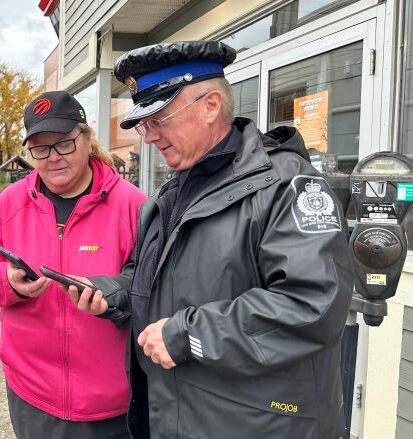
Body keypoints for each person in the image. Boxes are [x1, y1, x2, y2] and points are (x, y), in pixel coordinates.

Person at [66, 41, 353, 438]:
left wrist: (189, 335)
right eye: (144, 125)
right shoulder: (171, 195)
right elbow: (149, 279)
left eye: (158, 119)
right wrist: (111, 292)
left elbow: (312, 304)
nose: (148, 137)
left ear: (211, 104)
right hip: (185, 417)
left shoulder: (286, 185)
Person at [0, 90, 146, 438]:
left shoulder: (134, 206)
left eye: (64, 143)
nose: (53, 158)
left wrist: (112, 296)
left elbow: (154, 284)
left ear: (85, 137)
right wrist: (7, 281)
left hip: (111, 403)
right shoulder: (9, 204)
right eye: (40, 149)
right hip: (32, 394)